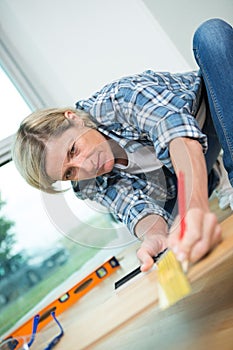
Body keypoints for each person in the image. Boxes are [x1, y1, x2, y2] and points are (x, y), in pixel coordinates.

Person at [13, 18, 233, 272]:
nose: (84, 166)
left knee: (211, 35)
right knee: (167, 225)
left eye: (73, 149)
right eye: (69, 172)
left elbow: (176, 134)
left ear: (72, 118)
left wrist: (194, 209)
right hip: (185, 173)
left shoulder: (117, 100)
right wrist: (154, 237)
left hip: (213, 113)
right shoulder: (86, 183)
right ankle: (214, 176)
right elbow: (134, 207)